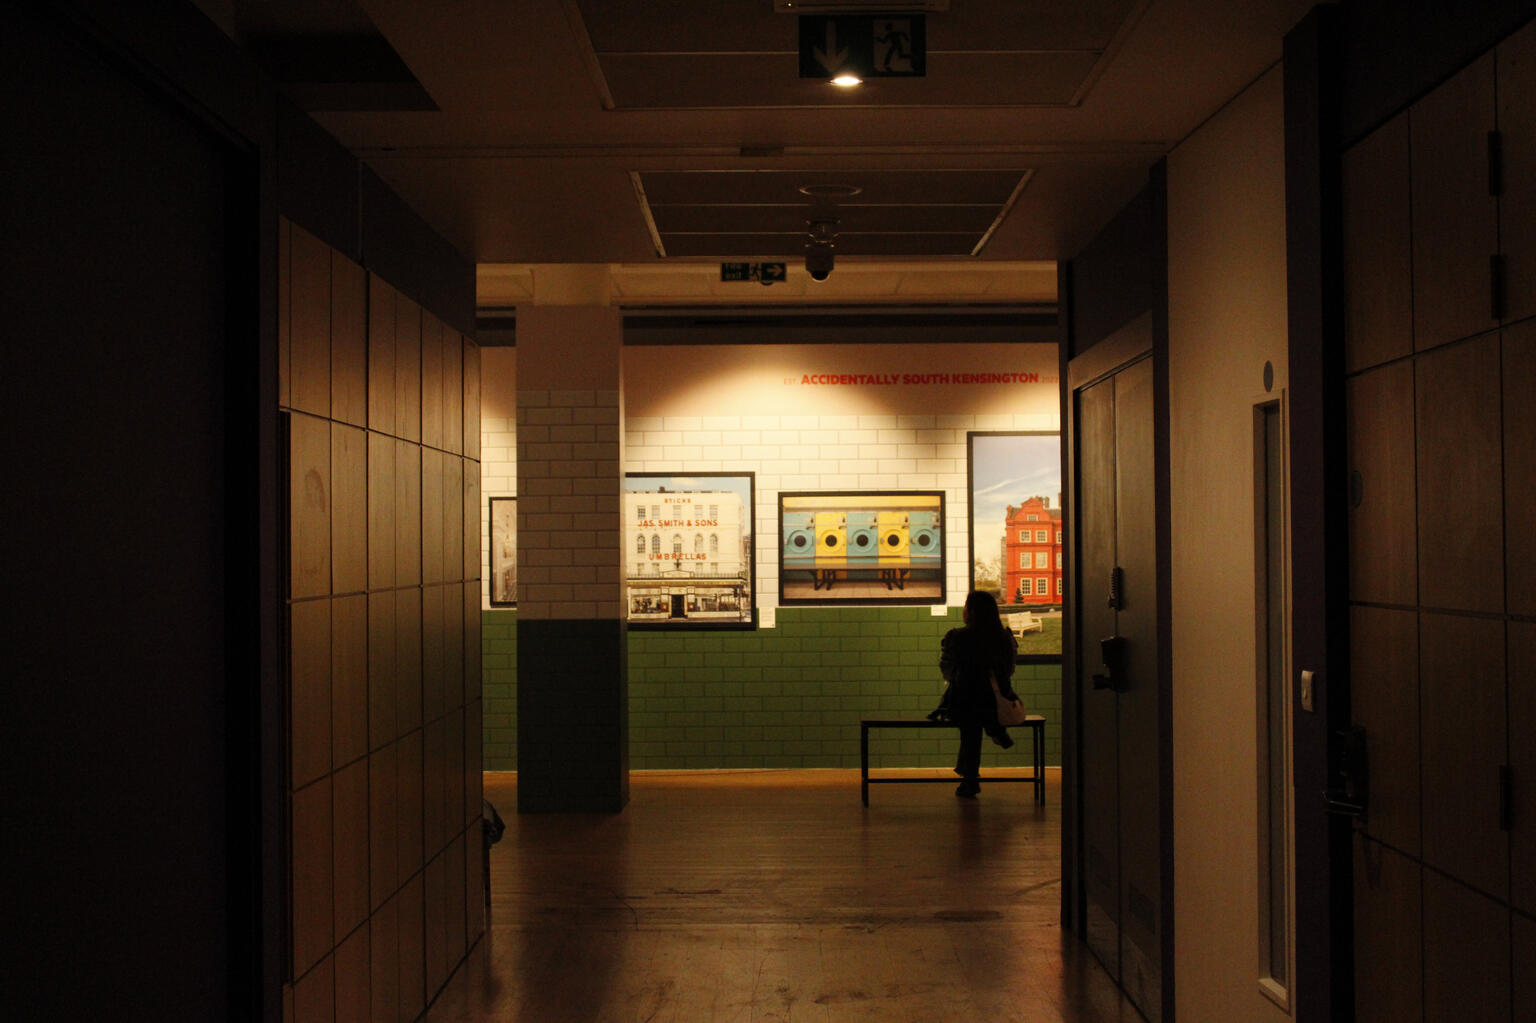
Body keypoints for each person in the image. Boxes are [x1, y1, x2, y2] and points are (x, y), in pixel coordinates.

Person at [934, 590, 1019, 798]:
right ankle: (994, 729)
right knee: (978, 716)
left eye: (966, 606)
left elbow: (947, 668)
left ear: (971, 611)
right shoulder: (1004, 637)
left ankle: (970, 779)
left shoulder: (958, 637)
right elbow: (1009, 669)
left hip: (964, 700)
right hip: (995, 700)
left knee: (970, 729)